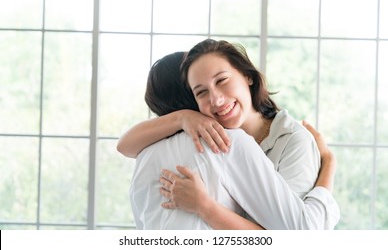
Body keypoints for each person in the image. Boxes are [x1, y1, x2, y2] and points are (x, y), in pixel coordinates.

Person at [122, 50, 339, 230]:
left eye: (222, 80)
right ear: (193, 97)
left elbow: (302, 233)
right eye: (201, 91)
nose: (215, 99)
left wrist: (205, 207)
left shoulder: (145, 155)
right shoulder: (225, 142)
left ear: (248, 76)